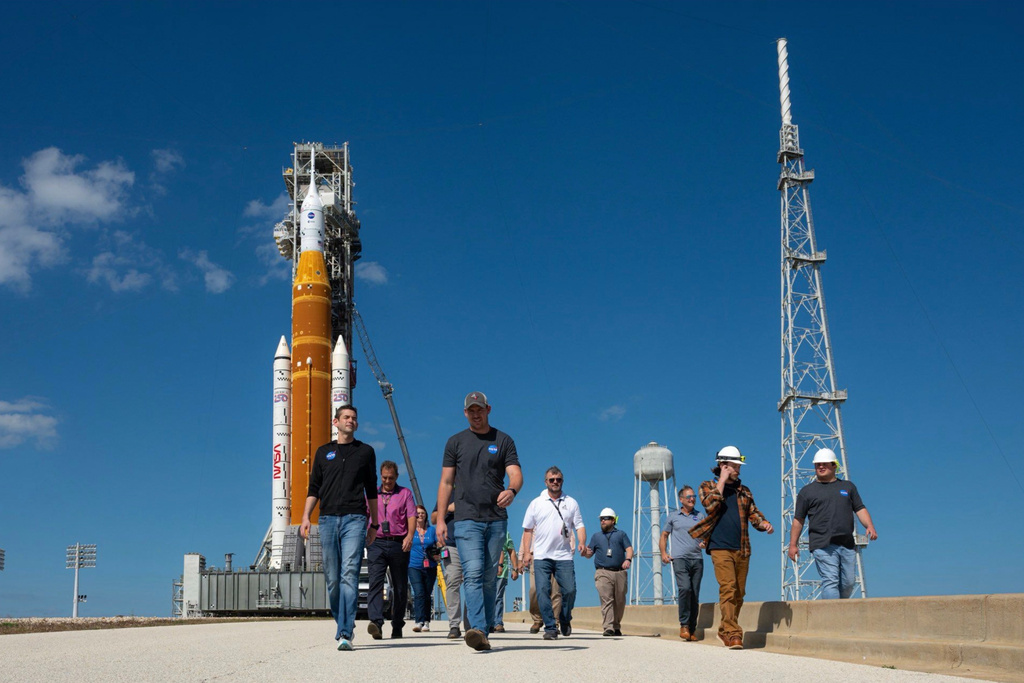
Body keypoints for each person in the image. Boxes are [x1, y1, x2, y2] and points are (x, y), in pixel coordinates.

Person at [436, 391, 524, 651]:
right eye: (471, 410)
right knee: (473, 574)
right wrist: (441, 519)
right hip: (466, 519)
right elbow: (446, 482)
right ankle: (477, 629)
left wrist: (512, 490)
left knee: (488, 576)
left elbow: (516, 474)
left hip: (496, 520)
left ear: (488, 409)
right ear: (465, 413)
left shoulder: (503, 440)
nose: (476, 414)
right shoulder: (455, 442)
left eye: (480, 409)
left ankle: (481, 630)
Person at [300, 405, 379, 651]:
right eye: (346, 417)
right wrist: (305, 516)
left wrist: (374, 523)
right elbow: (314, 488)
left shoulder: (365, 452)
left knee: (349, 574)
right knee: (333, 579)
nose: (351, 421)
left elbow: (372, 489)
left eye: (354, 418)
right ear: (336, 422)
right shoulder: (324, 452)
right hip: (327, 519)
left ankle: (345, 631)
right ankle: (342, 622)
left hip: (355, 519)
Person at [688, 446, 773, 651]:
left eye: (738, 466)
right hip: (719, 547)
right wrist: (722, 480)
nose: (738, 469)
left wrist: (763, 524)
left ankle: (725, 629)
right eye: (734, 466)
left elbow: (754, 513)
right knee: (728, 588)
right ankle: (734, 633)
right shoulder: (707, 486)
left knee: (739, 593)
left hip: (742, 547)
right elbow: (711, 505)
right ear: (723, 465)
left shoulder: (744, 491)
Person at [788, 448, 878, 599]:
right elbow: (799, 520)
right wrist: (793, 545)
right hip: (822, 544)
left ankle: (839, 611)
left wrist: (869, 526)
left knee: (848, 582)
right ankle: (832, 617)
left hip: (847, 543)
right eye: (818, 465)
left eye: (825, 464)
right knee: (830, 580)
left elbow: (860, 508)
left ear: (834, 465)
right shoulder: (807, 492)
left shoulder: (848, 487)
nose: (821, 467)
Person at [520, 466, 586, 641]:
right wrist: (527, 553)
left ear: (562, 481)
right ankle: (550, 627)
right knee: (542, 590)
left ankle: (564, 618)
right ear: (546, 482)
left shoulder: (571, 502)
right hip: (541, 555)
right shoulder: (536, 503)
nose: (555, 482)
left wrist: (582, 542)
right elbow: (527, 530)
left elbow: (579, 525)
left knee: (570, 590)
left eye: (558, 480)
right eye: (552, 480)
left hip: (564, 556)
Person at [365, 460, 416, 640]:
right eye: (385, 478)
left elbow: (412, 516)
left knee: (400, 587)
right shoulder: (372, 494)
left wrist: (410, 536)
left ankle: (397, 624)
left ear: (396, 477)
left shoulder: (405, 494)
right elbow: (365, 515)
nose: (388, 481)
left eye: (391, 478)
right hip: (377, 543)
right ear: (381, 476)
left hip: (398, 543)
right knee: (376, 583)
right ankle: (376, 622)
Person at [661, 486, 705, 642]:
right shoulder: (673, 516)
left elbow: (706, 534)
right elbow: (664, 535)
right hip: (679, 558)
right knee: (684, 588)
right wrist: (664, 553)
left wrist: (705, 542)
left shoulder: (699, 516)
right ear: (681, 499)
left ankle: (692, 629)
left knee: (694, 593)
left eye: (694, 496)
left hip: (697, 559)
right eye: (689, 497)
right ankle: (684, 625)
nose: (692, 499)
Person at [582, 507, 633, 637]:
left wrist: (628, 559)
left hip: (620, 572)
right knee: (607, 599)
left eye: (605, 519)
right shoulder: (596, 537)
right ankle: (608, 627)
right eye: (601, 519)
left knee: (620, 601)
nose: (603, 521)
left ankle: (616, 625)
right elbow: (589, 554)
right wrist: (584, 552)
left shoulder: (621, 534)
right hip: (602, 572)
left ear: (613, 520)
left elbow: (629, 549)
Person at [433, 496, 470, 639]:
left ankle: (470, 624)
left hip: (471, 543)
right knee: (452, 582)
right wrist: (448, 508)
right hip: (451, 544)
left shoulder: (472, 486)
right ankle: (454, 625)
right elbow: (434, 518)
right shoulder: (447, 493)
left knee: (472, 583)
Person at [409, 505, 439, 632]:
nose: (420, 515)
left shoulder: (432, 531)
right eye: (417, 513)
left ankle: (426, 621)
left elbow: (439, 544)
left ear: (425, 515)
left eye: (422, 513)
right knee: (419, 592)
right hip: (414, 565)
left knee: (427, 594)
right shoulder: (410, 530)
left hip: (430, 566)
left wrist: (438, 552)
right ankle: (418, 621)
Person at [526, 553, 562, 634]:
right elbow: (525, 540)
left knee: (555, 591)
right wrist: (522, 557)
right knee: (534, 589)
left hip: (557, 556)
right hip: (536, 556)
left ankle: (555, 622)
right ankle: (537, 619)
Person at [493, 531, 520, 632]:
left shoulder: (505, 533)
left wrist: (515, 568)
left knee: (498, 597)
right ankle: (489, 622)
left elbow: (511, 551)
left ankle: (498, 622)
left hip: (502, 571)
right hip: (487, 570)